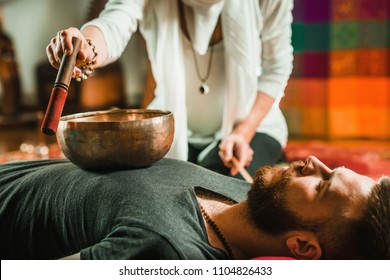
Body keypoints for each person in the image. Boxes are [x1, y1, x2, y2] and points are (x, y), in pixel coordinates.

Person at [45, 0, 294, 179]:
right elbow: (113, 23)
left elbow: (276, 69)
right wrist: (85, 46)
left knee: (219, 190)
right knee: (141, 187)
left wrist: (242, 132)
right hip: (171, 131)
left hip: (252, 129)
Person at [1, 155, 389, 260]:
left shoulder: (165, 251)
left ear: (303, 246)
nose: (311, 161)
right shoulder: (248, 196)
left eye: (322, 184)